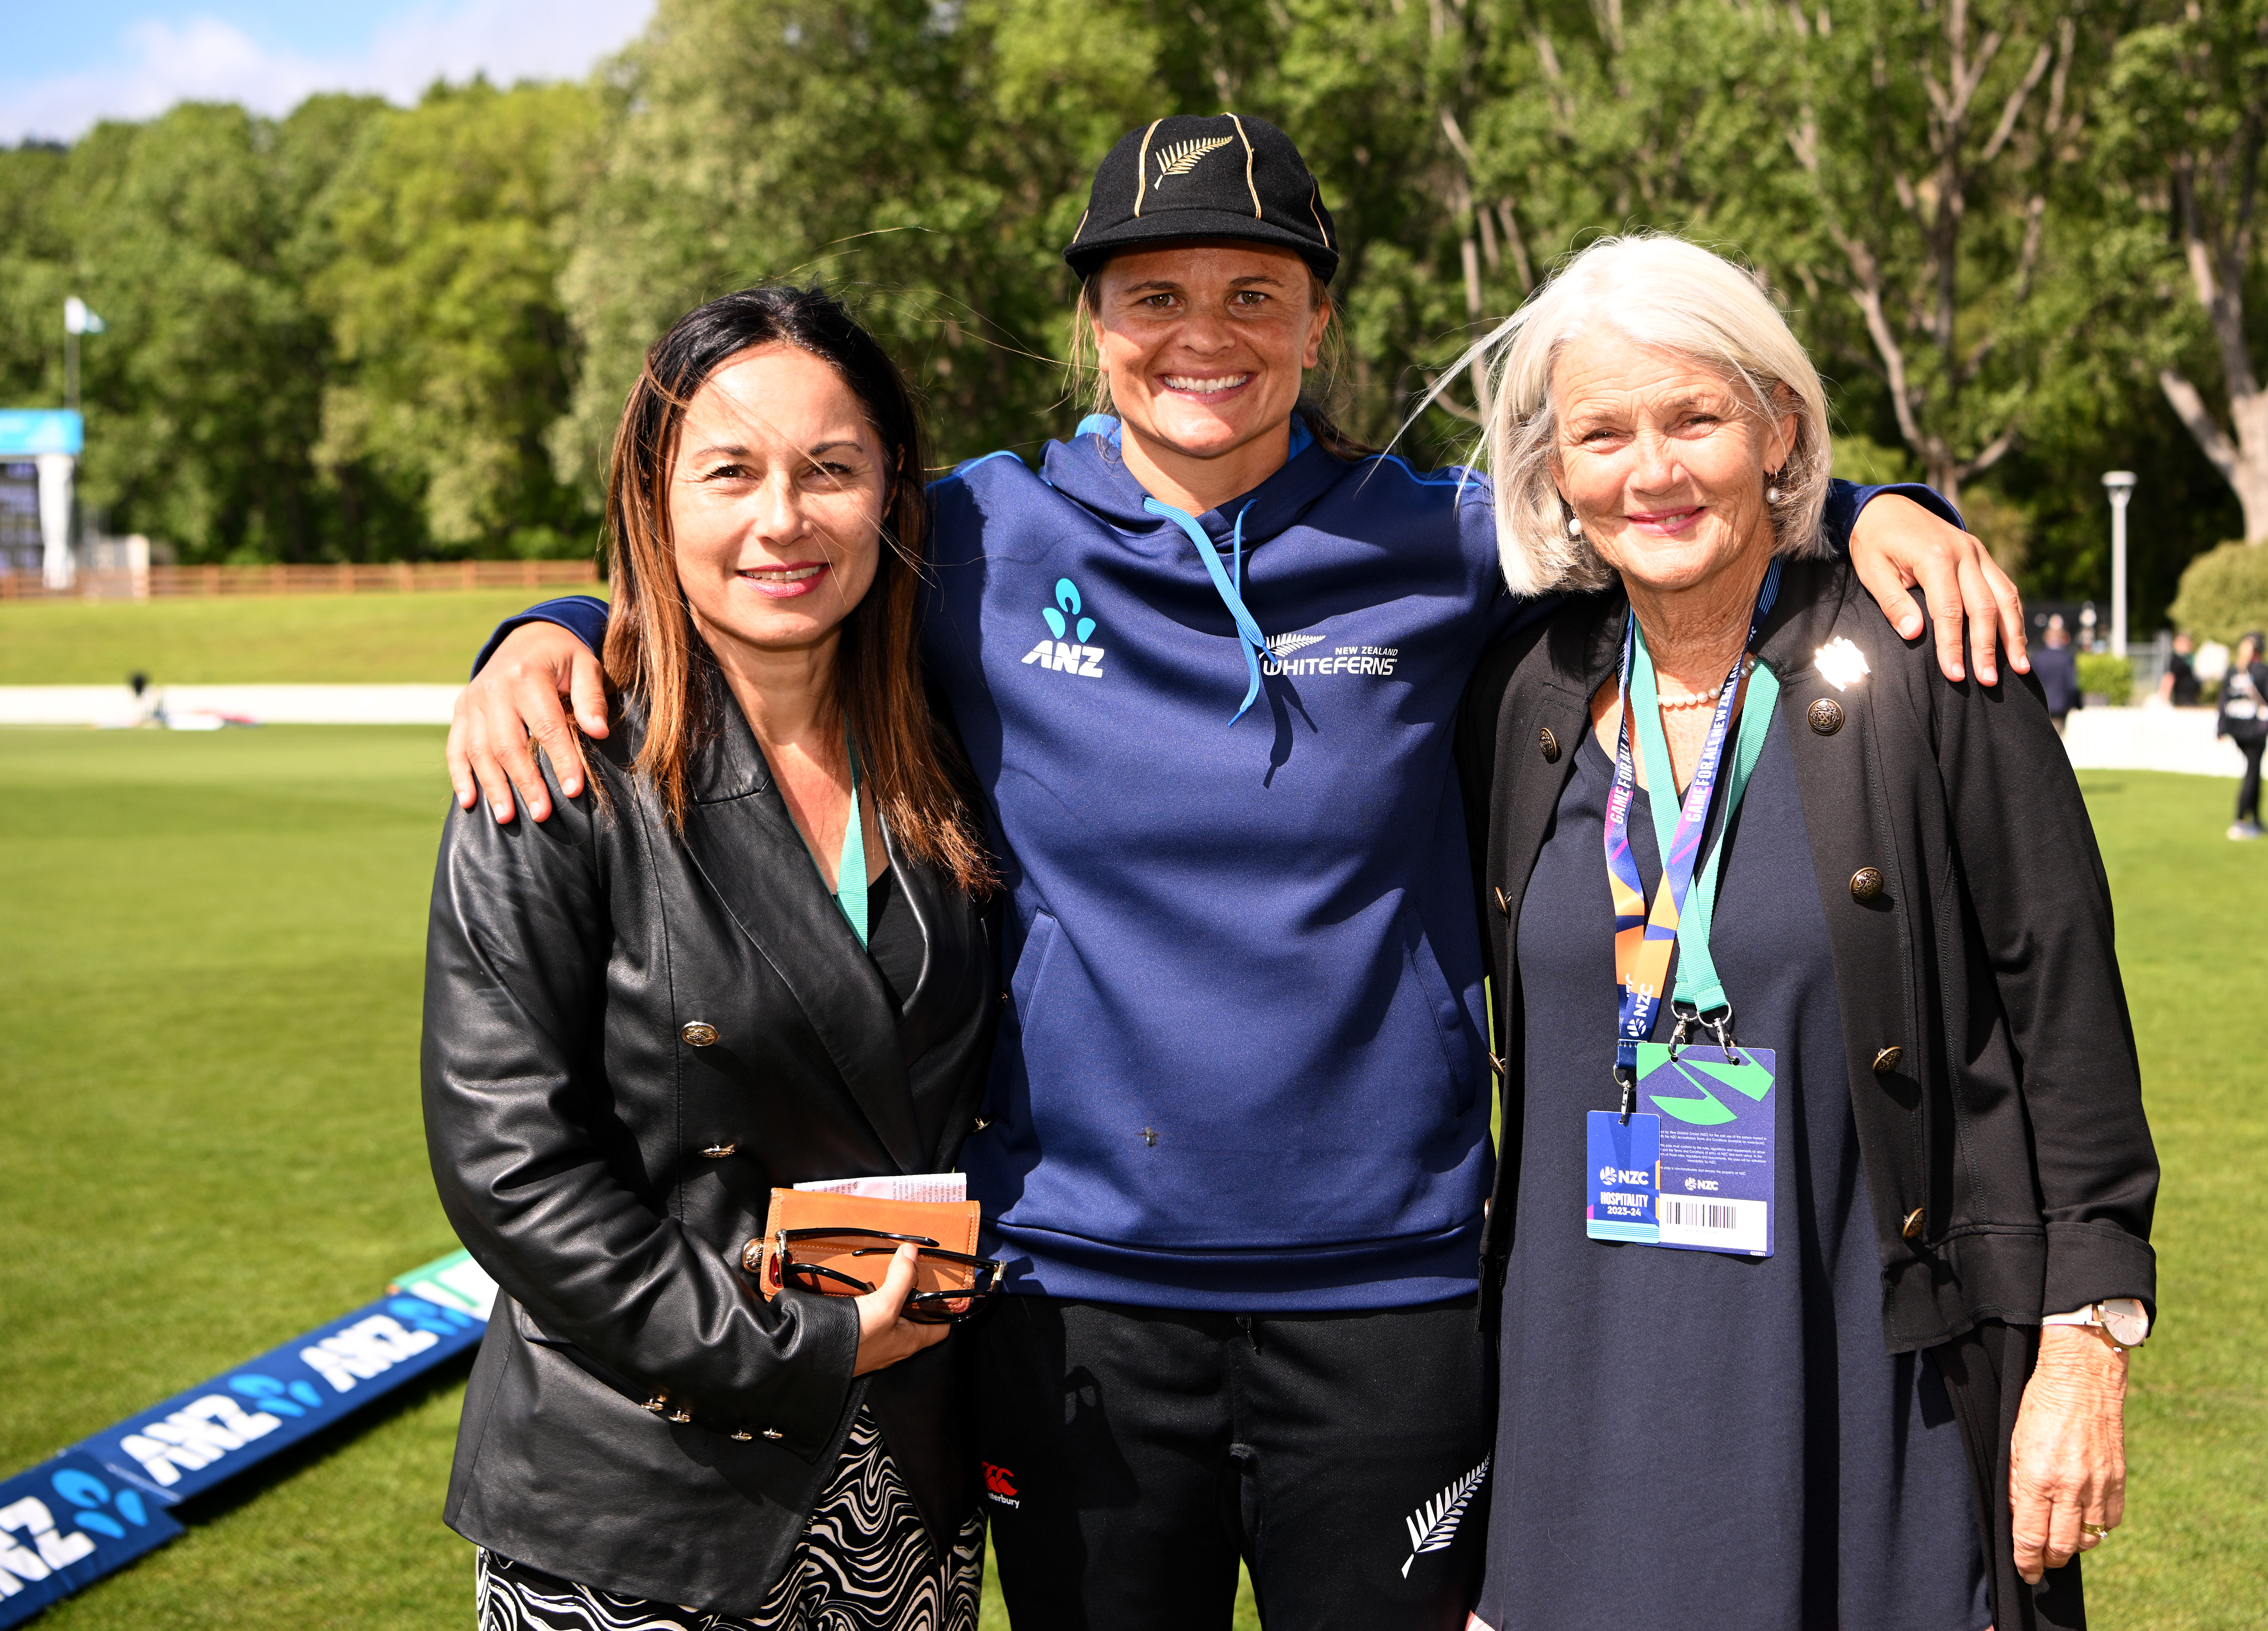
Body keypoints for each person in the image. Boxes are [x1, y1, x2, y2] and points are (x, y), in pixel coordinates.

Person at [443, 116, 2030, 1630]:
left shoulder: (1451, 541)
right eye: (1154, 296)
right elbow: (758, 553)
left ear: (1318, 321)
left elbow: (1672, 494)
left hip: (1393, 1298)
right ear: (1092, 324)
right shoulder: (973, 539)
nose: (1205, 333)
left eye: (1252, 293)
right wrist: (544, 637)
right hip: (1073, 1297)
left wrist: (1893, 508)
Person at [1451, 235, 2157, 1631]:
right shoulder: (1523, 693)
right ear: (1554, 476)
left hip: (1868, 1383)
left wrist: (2085, 1347)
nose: (1650, 471)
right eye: (1601, 433)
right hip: (1588, 1406)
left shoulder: (1927, 661)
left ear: (1777, 430)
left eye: (1694, 417)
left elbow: (2062, 1005)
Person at [422, 286, 1002, 1630]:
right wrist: (792, 1344)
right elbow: (507, 1164)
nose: (782, 520)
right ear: (652, 496)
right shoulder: (556, 767)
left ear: (893, 495)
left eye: (830, 470)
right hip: (637, 1492)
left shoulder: (957, 750)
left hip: (901, 1486)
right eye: (728, 471)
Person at [2216, 631, 2268, 840]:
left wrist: (2221, 727)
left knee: (2255, 772)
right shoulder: (2266, 672)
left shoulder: (2234, 671)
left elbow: (2223, 700)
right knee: (2253, 773)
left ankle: (2256, 820)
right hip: (2255, 730)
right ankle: (2240, 821)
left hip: (2236, 729)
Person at [2030, 612, 2081, 733]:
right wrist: (2077, 704)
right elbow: (2072, 685)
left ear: (2046, 636)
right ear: (2064, 636)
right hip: (2060, 709)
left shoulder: (2037, 657)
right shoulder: (2067, 658)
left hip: (2040, 709)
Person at [2159, 631, 2201, 706]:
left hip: (2191, 698)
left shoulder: (2189, 659)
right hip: (2183, 699)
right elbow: (2169, 678)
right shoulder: (2176, 660)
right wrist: (2164, 699)